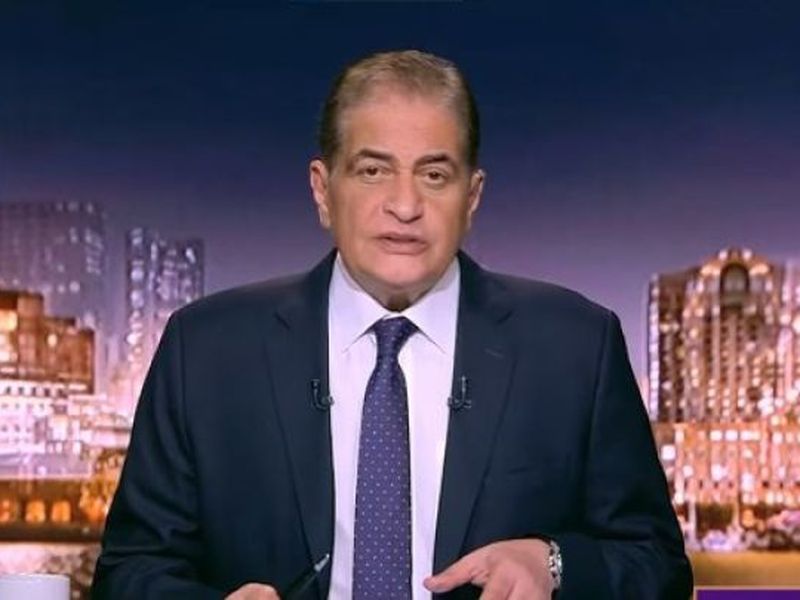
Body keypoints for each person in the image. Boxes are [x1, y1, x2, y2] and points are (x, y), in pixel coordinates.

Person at [92, 50, 693, 599]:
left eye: (434, 175)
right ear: (323, 190)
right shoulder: (206, 350)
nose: (405, 206)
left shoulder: (575, 347)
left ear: (472, 197)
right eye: (373, 171)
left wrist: (553, 563)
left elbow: (659, 567)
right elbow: (129, 571)